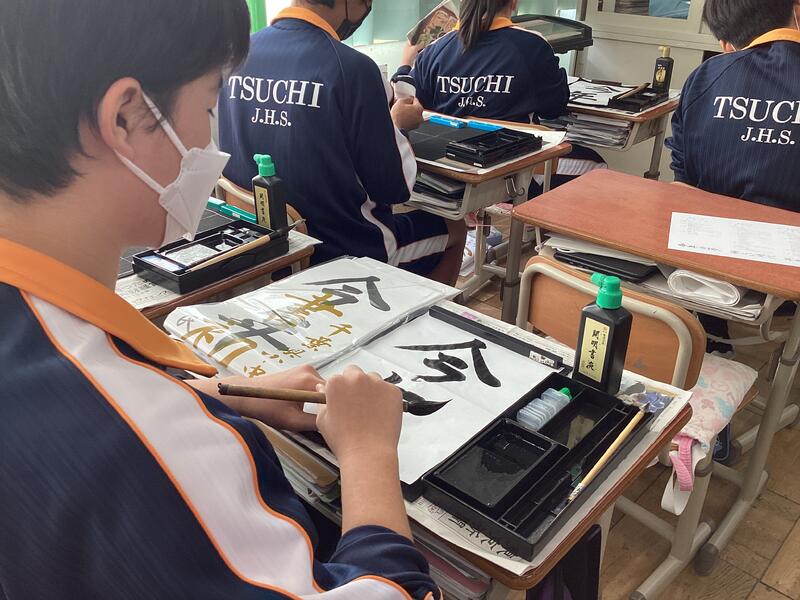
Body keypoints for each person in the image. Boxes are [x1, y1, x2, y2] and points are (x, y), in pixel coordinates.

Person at [0, 2, 439, 598]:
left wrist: (209, 393)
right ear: (126, 116)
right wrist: (367, 451)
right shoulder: (129, 451)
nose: (211, 140)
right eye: (210, 105)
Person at [218, 0, 467, 286]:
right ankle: (423, 311)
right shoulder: (353, 68)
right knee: (456, 228)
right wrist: (397, 125)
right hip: (348, 249)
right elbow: (394, 188)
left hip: (263, 247)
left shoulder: (235, 56)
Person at [666, 0, 800, 354]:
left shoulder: (706, 77)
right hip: (788, 278)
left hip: (704, 266)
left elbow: (682, 185)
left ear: (726, 39)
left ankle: (711, 343)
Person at [396, 0, 606, 190]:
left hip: (447, 172)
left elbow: (412, 109)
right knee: (597, 165)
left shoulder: (433, 51)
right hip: (509, 170)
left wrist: (405, 66)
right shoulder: (532, 45)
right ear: (513, 2)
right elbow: (554, 108)